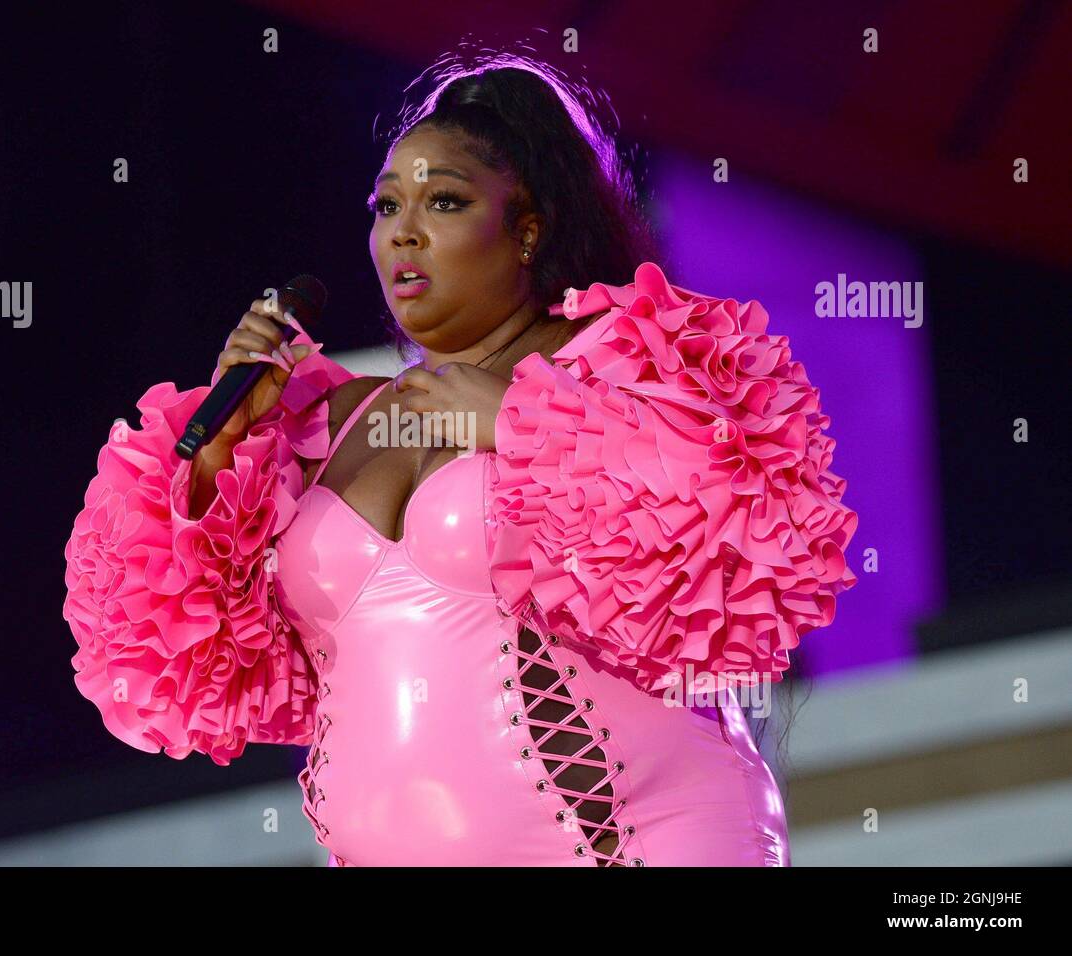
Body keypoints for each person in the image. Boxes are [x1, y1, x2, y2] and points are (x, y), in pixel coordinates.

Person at [62, 54, 858, 866]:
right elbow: (174, 660)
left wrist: (524, 423)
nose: (404, 230)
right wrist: (221, 456)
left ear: (527, 229)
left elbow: (745, 540)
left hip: (642, 843)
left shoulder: (627, 365)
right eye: (386, 205)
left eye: (445, 200)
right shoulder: (319, 423)